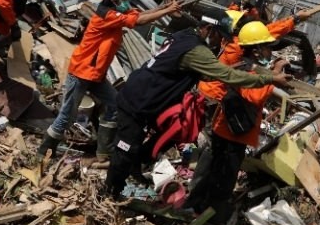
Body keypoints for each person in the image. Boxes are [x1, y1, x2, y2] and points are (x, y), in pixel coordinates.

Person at [104, 15, 291, 199]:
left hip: (150, 98)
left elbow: (206, 74)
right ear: (209, 30)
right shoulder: (197, 50)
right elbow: (227, 77)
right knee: (125, 148)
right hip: (139, 100)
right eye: (220, 36)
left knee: (176, 129)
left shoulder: (185, 36)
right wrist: (271, 78)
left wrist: (228, 71)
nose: (221, 43)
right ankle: (111, 193)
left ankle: (137, 163)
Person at [38, 0, 180, 157]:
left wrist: (165, 7)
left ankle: (104, 152)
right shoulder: (106, 16)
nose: (125, 0)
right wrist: (168, 10)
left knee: (114, 104)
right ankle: (44, 150)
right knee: (67, 116)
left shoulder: (115, 12)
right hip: (82, 72)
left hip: (95, 75)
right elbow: (139, 21)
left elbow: (139, 15)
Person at [185, 21, 288, 223]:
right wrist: (273, 76)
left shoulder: (247, 65)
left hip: (225, 128)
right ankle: (209, 219)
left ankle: (194, 206)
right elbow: (254, 97)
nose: (269, 51)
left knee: (210, 173)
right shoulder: (248, 70)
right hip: (233, 134)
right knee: (223, 179)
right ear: (257, 49)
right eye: (266, 47)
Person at [198, 8, 311, 101]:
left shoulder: (230, 42)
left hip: (209, 91)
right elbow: (268, 32)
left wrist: (294, 18)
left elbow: (268, 29)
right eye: (242, 21)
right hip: (214, 95)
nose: (246, 22)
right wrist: (295, 19)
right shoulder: (235, 46)